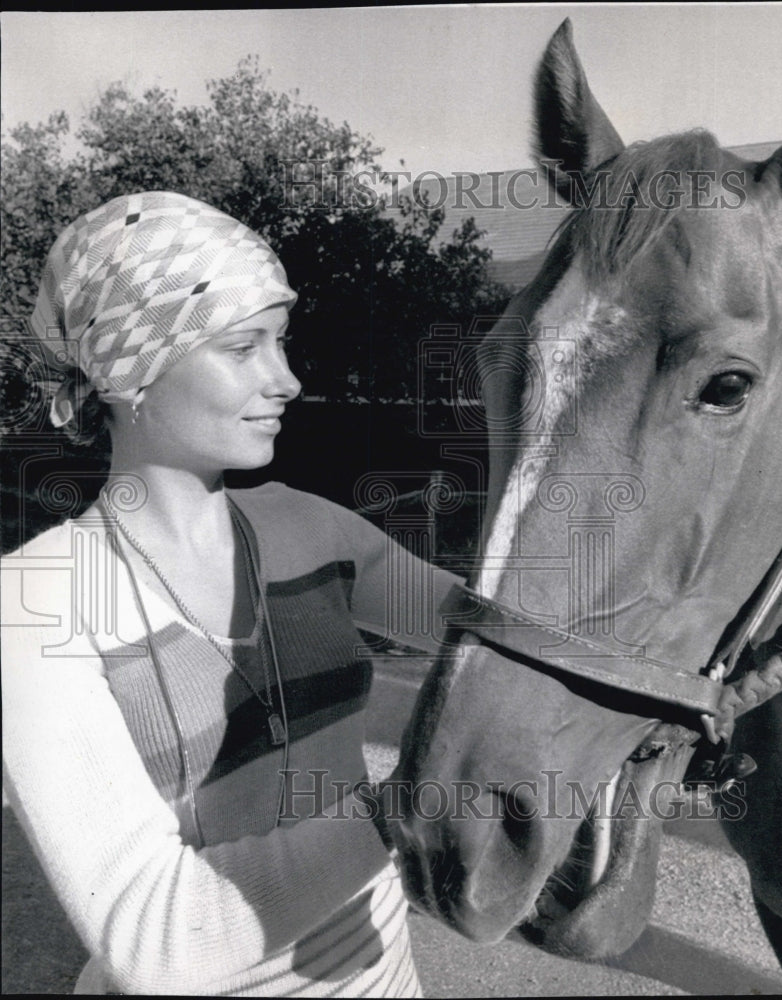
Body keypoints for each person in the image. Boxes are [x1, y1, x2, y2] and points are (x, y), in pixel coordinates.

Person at [1, 191, 460, 996]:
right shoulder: (38, 601)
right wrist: (412, 810)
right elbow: (157, 941)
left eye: (281, 344)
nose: (285, 380)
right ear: (128, 371)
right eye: (243, 346)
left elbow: (517, 639)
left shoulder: (311, 530)